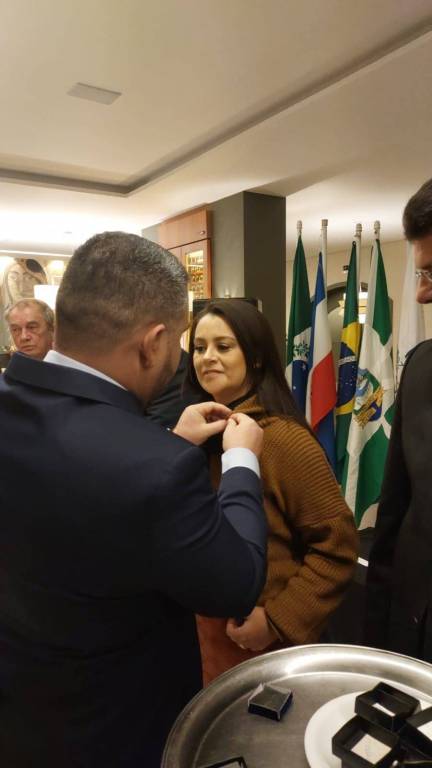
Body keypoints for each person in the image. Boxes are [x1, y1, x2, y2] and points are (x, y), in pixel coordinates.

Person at [0, 233, 268, 768]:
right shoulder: (157, 468)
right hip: (113, 729)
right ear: (153, 343)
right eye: (186, 343)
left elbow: (80, 492)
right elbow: (237, 582)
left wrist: (167, 443)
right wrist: (242, 461)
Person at [187, 299, 358, 684]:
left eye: (223, 346)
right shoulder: (194, 434)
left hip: (264, 646)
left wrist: (279, 620)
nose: (207, 357)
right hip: (201, 641)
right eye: (198, 347)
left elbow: (338, 546)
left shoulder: (283, 440)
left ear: (256, 357)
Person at [366, 177, 432, 662]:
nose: (421, 295)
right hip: (412, 637)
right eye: (422, 273)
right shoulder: (421, 367)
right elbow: (394, 510)